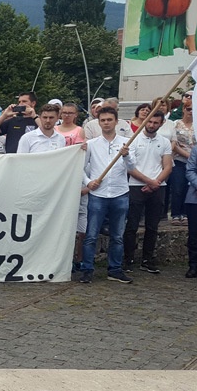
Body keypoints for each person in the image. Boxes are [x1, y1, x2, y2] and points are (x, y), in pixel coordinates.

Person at [79, 107, 135, 284]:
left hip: (120, 193)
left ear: (116, 121)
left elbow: (132, 168)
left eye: (109, 120)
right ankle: (87, 269)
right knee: (91, 235)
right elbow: (80, 167)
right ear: (98, 122)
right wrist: (88, 182)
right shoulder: (92, 144)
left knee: (117, 236)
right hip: (98, 194)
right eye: (103, 120)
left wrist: (126, 156)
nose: (106, 123)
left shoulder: (127, 143)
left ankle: (115, 269)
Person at [125, 110, 173, 273]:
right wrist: (148, 181)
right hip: (136, 185)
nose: (152, 125)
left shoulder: (165, 142)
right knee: (131, 225)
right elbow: (130, 167)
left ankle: (147, 259)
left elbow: (167, 165)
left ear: (161, 123)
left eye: (155, 123)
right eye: (150, 122)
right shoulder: (133, 139)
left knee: (152, 226)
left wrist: (156, 182)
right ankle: (128, 259)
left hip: (158, 187)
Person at [170, 104, 196, 224]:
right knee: (178, 187)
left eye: (193, 109)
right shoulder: (175, 124)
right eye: (188, 109)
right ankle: (175, 214)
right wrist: (188, 156)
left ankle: (186, 213)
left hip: (195, 162)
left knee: (190, 187)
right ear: (184, 109)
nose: (191, 111)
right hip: (180, 159)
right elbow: (173, 144)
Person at [186, 136, 197, 277]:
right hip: (195, 198)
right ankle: (194, 265)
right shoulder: (196, 150)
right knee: (194, 234)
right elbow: (190, 171)